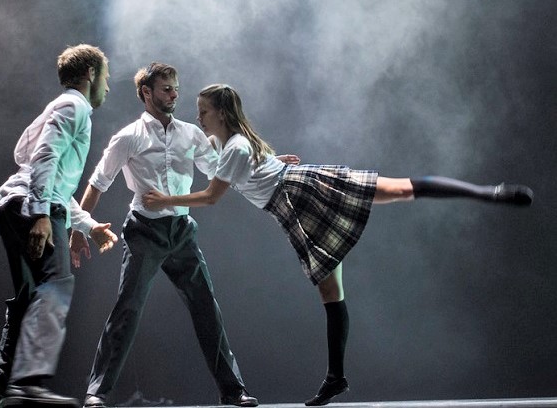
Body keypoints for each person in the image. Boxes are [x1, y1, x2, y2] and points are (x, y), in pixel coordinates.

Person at [142, 83, 534, 406]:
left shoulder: (237, 147)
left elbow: (212, 196)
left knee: (396, 190)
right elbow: (237, 169)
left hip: (303, 195)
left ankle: (488, 192)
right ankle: (336, 377)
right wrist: (274, 161)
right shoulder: (233, 146)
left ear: (222, 114)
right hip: (293, 203)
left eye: (204, 111)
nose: (199, 116)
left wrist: (166, 200)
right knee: (331, 292)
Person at [70, 63, 259, 408]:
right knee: (127, 310)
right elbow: (98, 183)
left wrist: (267, 166)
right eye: (166, 89)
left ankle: (234, 391)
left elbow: (221, 171)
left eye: (175, 89)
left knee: (206, 308)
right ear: (146, 92)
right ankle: (97, 392)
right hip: (145, 231)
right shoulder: (129, 136)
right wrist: (81, 228)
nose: (174, 95)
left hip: (182, 231)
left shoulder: (191, 133)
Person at [0, 44, 118, 408]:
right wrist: (42, 214)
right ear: (90, 73)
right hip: (31, 205)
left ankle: (2, 391)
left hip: (16, 203)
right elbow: (43, 155)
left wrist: (89, 226)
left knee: (29, 297)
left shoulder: (62, 108)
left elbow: (45, 170)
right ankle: (27, 385)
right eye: (106, 77)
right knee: (56, 284)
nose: (108, 87)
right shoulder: (74, 105)